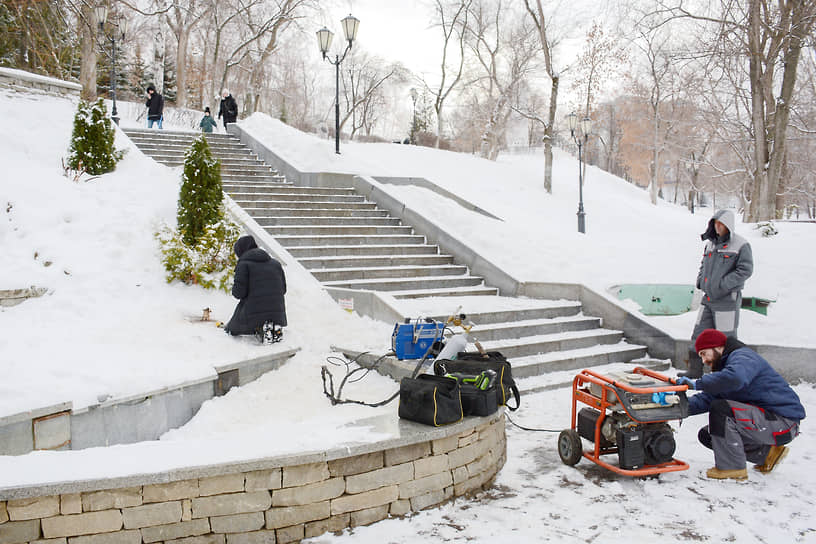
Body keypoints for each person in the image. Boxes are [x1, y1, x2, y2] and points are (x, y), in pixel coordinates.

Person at [675, 329, 805, 481]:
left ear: (717, 346)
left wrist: (698, 383)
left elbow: (735, 378)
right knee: (710, 435)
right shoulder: (727, 368)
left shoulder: (743, 357)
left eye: (704, 353)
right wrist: (677, 408)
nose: (703, 361)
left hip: (783, 422)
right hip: (768, 422)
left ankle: (732, 468)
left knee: (721, 410)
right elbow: (709, 398)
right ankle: (767, 454)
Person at [681, 209, 754, 378]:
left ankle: (725, 374)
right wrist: (700, 281)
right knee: (699, 334)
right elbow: (703, 265)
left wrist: (723, 285)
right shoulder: (710, 244)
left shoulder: (741, 245)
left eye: (721, 224)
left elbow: (745, 270)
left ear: (728, 226)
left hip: (727, 302)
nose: (717, 227)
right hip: (708, 300)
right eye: (715, 223)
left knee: (725, 339)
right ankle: (694, 370)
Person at [224, 235, 287, 342]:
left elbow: (239, 293)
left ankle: (259, 328)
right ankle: (271, 328)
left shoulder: (244, 265)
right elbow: (283, 290)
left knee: (231, 328)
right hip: (277, 312)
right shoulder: (275, 263)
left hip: (253, 312)